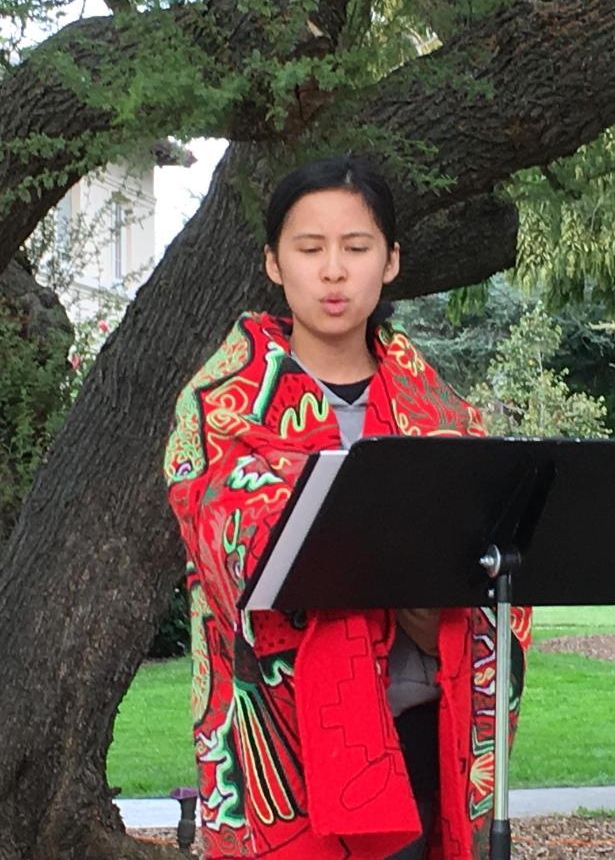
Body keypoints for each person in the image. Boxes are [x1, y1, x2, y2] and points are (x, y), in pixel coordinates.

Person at [164, 155, 532, 859]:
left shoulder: (446, 416)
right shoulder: (221, 408)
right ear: (274, 263)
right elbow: (233, 557)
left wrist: (440, 622)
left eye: (356, 248)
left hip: (422, 740)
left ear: (390, 261)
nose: (333, 272)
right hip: (284, 754)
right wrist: (405, 582)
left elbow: (497, 580)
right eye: (310, 249)